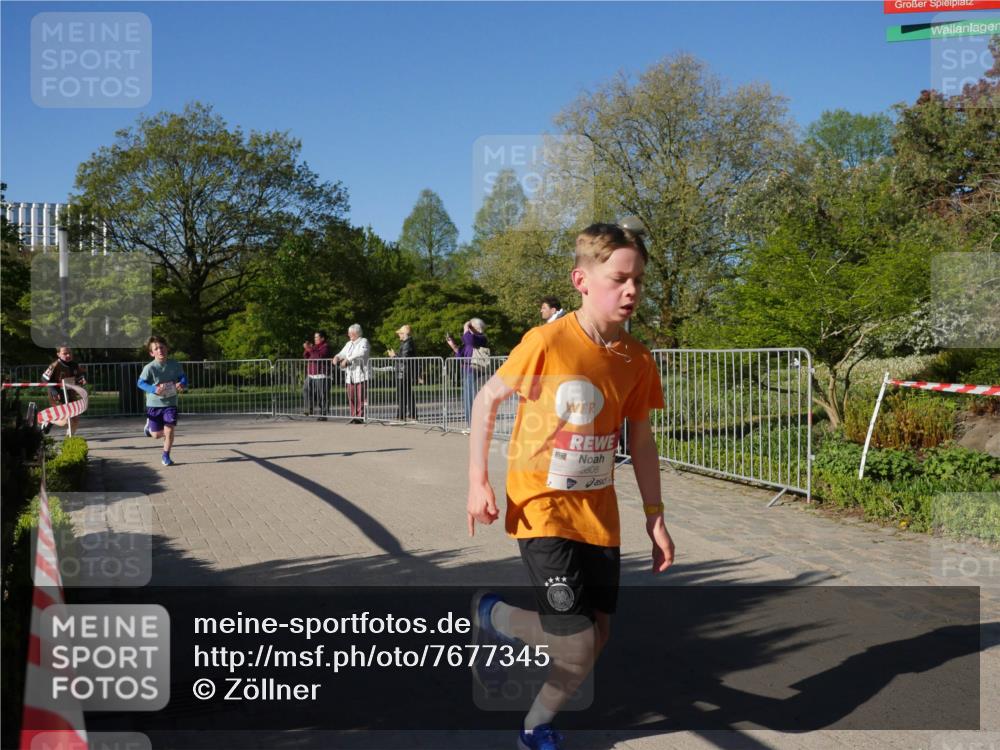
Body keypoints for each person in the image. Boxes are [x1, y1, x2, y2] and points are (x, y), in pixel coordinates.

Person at [465, 223, 675, 750]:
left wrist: (655, 516)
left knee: (596, 637)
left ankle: (500, 626)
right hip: (541, 505)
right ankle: (532, 727)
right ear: (582, 280)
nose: (631, 291)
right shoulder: (546, 342)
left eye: (639, 281)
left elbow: (642, 441)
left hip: (597, 514)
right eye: (619, 279)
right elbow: (487, 401)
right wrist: (477, 482)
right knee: (578, 643)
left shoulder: (636, 359)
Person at [137, 335, 187, 467]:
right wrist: (153, 389)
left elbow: (183, 378)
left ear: (167, 349)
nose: (160, 350)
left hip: (170, 403)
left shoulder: (175, 365)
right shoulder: (149, 368)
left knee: (169, 429)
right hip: (154, 404)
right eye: (156, 348)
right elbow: (140, 383)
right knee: (156, 435)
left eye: (162, 347)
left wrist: (181, 384)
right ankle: (149, 428)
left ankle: (166, 455)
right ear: (151, 352)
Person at [446, 318, 488, 431]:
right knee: (467, 398)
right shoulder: (471, 341)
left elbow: (469, 340)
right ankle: (470, 424)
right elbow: (462, 355)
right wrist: (454, 347)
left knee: (472, 398)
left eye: (471, 327)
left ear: (476, 328)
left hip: (475, 370)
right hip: (467, 370)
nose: (468, 329)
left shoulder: (481, 338)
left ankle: (475, 425)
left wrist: (466, 327)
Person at [41, 345, 88, 434]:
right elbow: (44, 378)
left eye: (69, 353)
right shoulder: (55, 365)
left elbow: (80, 375)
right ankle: (50, 420)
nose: (68, 355)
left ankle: (69, 440)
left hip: (71, 394)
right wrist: (53, 390)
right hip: (57, 395)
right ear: (58, 354)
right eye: (65, 353)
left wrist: (82, 379)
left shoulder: (74, 365)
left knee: (75, 420)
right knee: (66, 421)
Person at [332, 324, 370, 424]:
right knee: (351, 397)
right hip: (350, 375)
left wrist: (348, 359)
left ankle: (360, 417)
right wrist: (337, 357)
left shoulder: (364, 341)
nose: (349, 335)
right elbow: (342, 353)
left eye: (350, 333)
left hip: (361, 374)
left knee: (361, 397)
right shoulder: (349, 343)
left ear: (356, 333)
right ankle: (353, 416)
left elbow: (362, 353)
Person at [387, 324, 417, 422]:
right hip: (404, 371)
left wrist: (394, 356)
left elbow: (405, 359)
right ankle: (409, 415)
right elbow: (404, 356)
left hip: (404, 371)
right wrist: (396, 355)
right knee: (406, 393)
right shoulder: (406, 343)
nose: (399, 335)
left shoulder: (407, 343)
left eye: (400, 333)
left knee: (402, 393)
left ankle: (402, 415)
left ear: (404, 334)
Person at [302, 330, 331, 419]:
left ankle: (323, 414)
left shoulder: (326, 347)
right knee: (306, 390)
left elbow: (318, 356)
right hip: (311, 374)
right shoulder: (314, 347)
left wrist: (309, 349)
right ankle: (308, 409)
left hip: (321, 375)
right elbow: (306, 356)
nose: (315, 339)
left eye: (316, 337)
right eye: (314, 337)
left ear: (322, 338)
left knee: (322, 395)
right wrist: (307, 349)